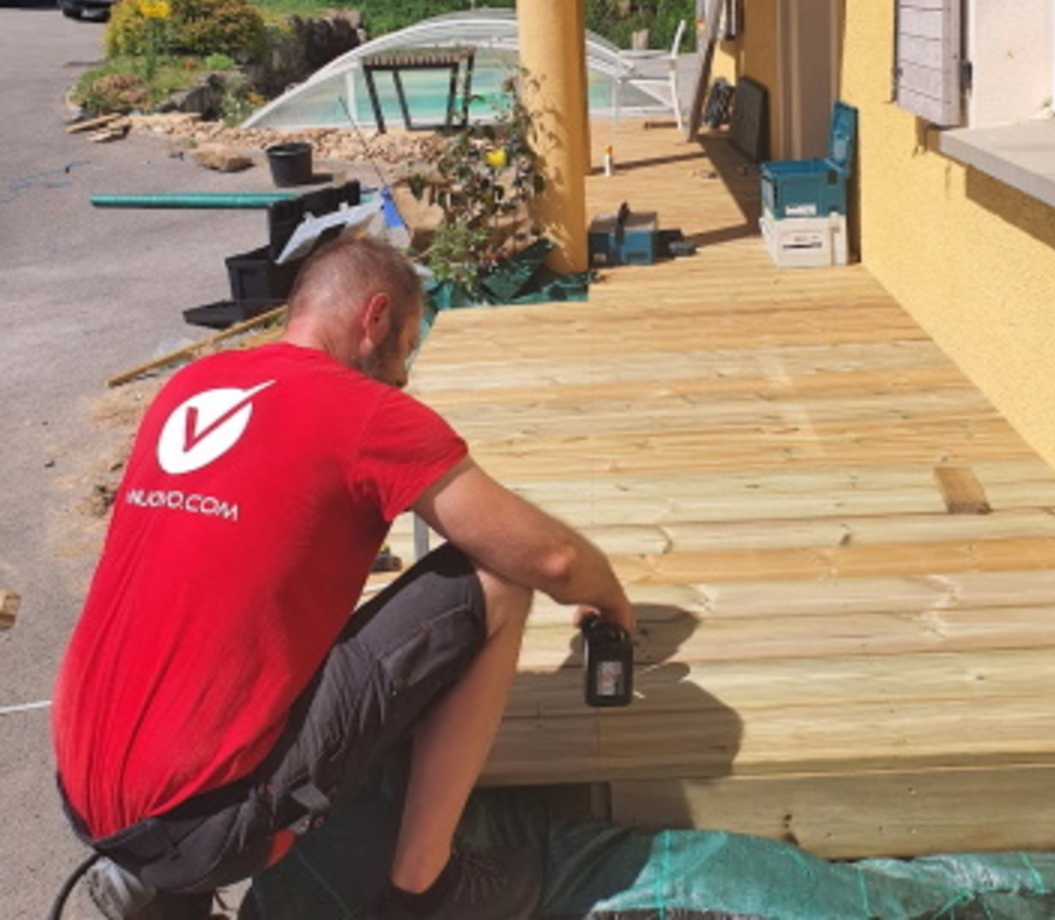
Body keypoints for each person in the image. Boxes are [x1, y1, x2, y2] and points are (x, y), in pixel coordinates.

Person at [53, 235, 634, 920]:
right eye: (409, 344)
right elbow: (550, 558)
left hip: (84, 797)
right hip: (212, 822)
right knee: (499, 577)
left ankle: (153, 881)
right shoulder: (364, 411)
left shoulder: (190, 386)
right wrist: (610, 598)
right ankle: (425, 889)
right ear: (375, 317)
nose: (405, 375)